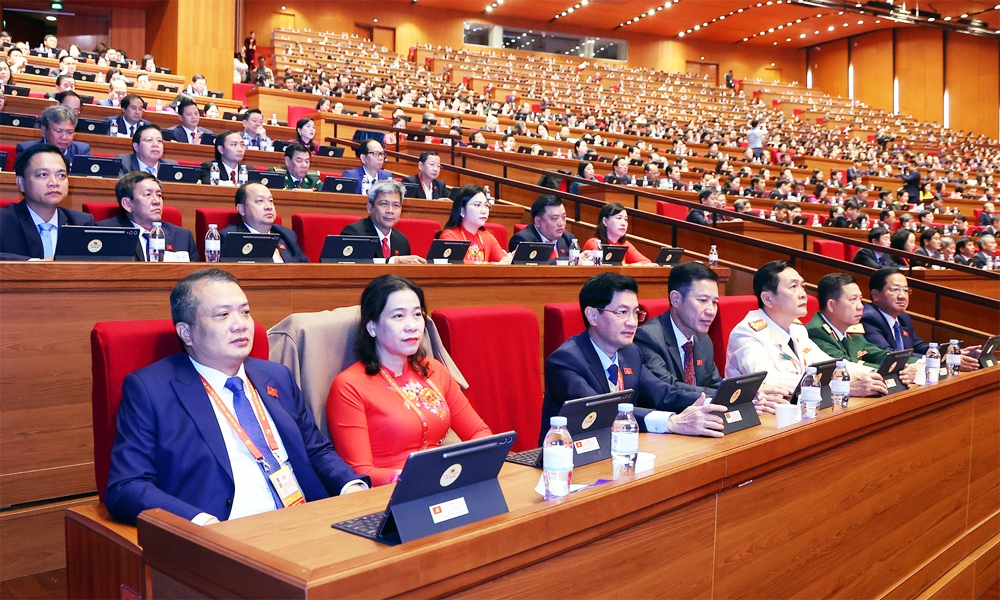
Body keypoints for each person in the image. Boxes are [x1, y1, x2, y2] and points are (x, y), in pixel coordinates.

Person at [105, 269, 368, 525]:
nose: (240, 325)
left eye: (245, 312)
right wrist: (199, 524)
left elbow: (315, 449)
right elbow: (127, 486)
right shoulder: (151, 390)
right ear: (186, 333)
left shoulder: (276, 376)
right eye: (223, 315)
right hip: (225, 531)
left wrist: (350, 486)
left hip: (305, 521)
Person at [328, 275, 493, 486]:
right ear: (372, 327)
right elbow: (360, 472)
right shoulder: (349, 386)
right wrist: (424, 478)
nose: (412, 326)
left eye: (417, 314)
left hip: (443, 482)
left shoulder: (434, 370)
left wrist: (465, 467)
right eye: (398, 316)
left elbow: (479, 433)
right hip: (388, 493)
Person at [542, 273, 726, 441]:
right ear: (592, 316)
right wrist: (671, 422)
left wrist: (715, 401)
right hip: (572, 456)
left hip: (623, 448)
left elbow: (662, 393)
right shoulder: (565, 361)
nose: (632, 322)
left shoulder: (630, 353)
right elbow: (601, 411)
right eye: (622, 312)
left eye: (636, 313)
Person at [725, 260, 887, 395]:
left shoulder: (797, 328)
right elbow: (768, 380)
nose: (803, 293)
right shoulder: (747, 333)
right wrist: (841, 386)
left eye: (802, 286)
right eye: (793, 287)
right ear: (767, 299)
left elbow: (829, 363)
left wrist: (873, 374)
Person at [859, 268, 978, 370]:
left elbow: (919, 346)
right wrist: (936, 360)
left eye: (905, 290)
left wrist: (949, 352)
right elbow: (890, 355)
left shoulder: (903, 317)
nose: (902, 296)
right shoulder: (869, 318)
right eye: (895, 289)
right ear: (875, 295)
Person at [633, 263, 725, 395]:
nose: (711, 311)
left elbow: (715, 384)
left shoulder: (703, 339)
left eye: (714, 302)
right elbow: (667, 387)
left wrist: (737, 393)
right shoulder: (649, 337)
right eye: (703, 300)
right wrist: (717, 395)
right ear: (675, 299)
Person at [805, 274, 916, 380]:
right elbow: (845, 366)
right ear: (831, 305)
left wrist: (917, 363)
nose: (860, 306)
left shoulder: (851, 329)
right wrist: (896, 370)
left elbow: (877, 354)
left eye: (860, 299)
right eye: (853, 299)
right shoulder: (816, 332)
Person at [1, 144, 94, 260]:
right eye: (43, 175)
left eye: (61, 175)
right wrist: (34, 264)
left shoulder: (81, 222)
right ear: (21, 183)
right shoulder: (3, 221)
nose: (54, 182)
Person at [97, 171, 198, 261]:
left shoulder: (182, 236)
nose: (157, 201)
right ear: (127, 204)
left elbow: (195, 275)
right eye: (148, 194)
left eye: (159, 195)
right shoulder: (107, 234)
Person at [340, 180, 427, 264]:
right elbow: (356, 266)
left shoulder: (402, 241)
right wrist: (392, 261)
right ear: (370, 208)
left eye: (396, 205)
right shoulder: (354, 233)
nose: (390, 210)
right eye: (384, 204)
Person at [221, 183, 308, 263]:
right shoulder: (229, 239)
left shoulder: (286, 236)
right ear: (242, 209)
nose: (269, 207)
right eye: (260, 201)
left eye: (270, 201)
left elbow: (305, 269)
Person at [439, 184, 513, 264]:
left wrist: (510, 259)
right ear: (462, 211)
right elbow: (456, 263)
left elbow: (503, 263)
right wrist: (495, 265)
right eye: (477, 205)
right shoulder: (450, 236)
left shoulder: (488, 237)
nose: (484, 211)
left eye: (486, 205)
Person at [14, 105, 91, 167]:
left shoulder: (81, 151)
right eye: (58, 131)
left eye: (69, 132)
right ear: (44, 131)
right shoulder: (26, 150)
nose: (64, 137)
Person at [507, 195, 578, 261]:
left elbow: (579, 259)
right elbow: (538, 263)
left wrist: (583, 257)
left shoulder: (567, 238)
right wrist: (571, 260)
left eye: (563, 217)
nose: (561, 223)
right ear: (538, 221)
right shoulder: (523, 240)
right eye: (554, 218)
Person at [582, 203, 652, 265]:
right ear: (605, 221)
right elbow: (608, 265)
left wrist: (627, 266)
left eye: (626, 219)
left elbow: (647, 262)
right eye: (619, 218)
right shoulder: (594, 243)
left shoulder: (624, 244)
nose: (623, 223)